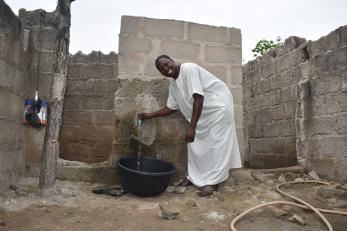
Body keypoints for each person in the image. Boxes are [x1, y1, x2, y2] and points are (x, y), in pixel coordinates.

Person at [138, 55, 242, 196]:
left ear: (172, 61)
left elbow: (198, 97)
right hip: (203, 115)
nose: (166, 69)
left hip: (218, 108)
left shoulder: (189, 69)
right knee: (194, 144)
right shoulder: (173, 84)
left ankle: (213, 182)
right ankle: (194, 178)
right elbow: (171, 107)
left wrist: (191, 127)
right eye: (162, 69)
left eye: (167, 64)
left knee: (218, 145)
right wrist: (149, 115)